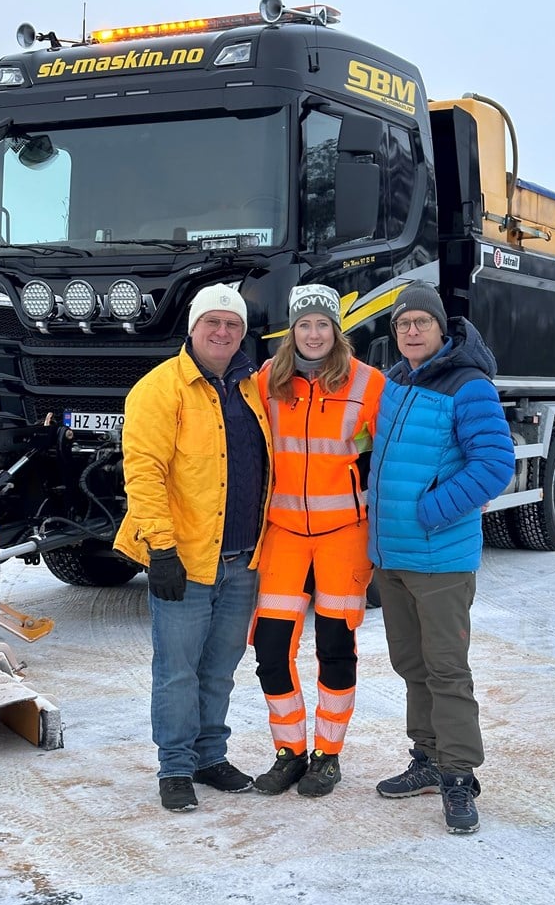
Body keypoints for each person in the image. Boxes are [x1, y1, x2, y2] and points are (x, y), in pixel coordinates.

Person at [114, 283, 272, 812]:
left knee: (220, 667)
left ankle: (210, 756)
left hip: (243, 558)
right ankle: (176, 767)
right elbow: (145, 472)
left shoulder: (251, 388)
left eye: (232, 324)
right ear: (193, 328)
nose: (222, 332)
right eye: (213, 323)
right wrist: (160, 548)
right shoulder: (160, 390)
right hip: (184, 559)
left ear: (242, 333)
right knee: (177, 670)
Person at [368, 281, 515, 834]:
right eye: (403, 323)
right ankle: (426, 759)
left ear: (440, 327)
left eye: (421, 322)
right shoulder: (396, 382)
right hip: (394, 555)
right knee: (412, 667)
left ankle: (459, 776)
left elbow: (495, 465)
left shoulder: (467, 384)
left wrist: (432, 510)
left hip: (441, 557)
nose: (411, 330)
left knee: (448, 670)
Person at [250, 284, 385, 797]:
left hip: (343, 535)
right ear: (292, 330)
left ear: (336, 330)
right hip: (283, 533)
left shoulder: (368, 384)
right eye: (304, 324)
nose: (313, 333)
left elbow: (390, 451)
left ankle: (328, 755)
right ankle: (289, 751)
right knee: (270, 648)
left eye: (322, 324)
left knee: (335, 646)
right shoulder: (266, 382)